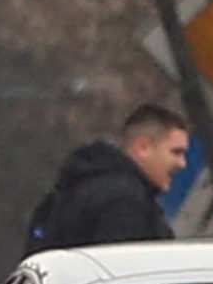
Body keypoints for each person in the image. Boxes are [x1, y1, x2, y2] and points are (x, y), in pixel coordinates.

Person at [26, 103, 189, 253]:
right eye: (176, 152)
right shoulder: (124, 202)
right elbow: (126, 275)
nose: (182, 164)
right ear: (143, 147)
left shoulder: (78, 189)